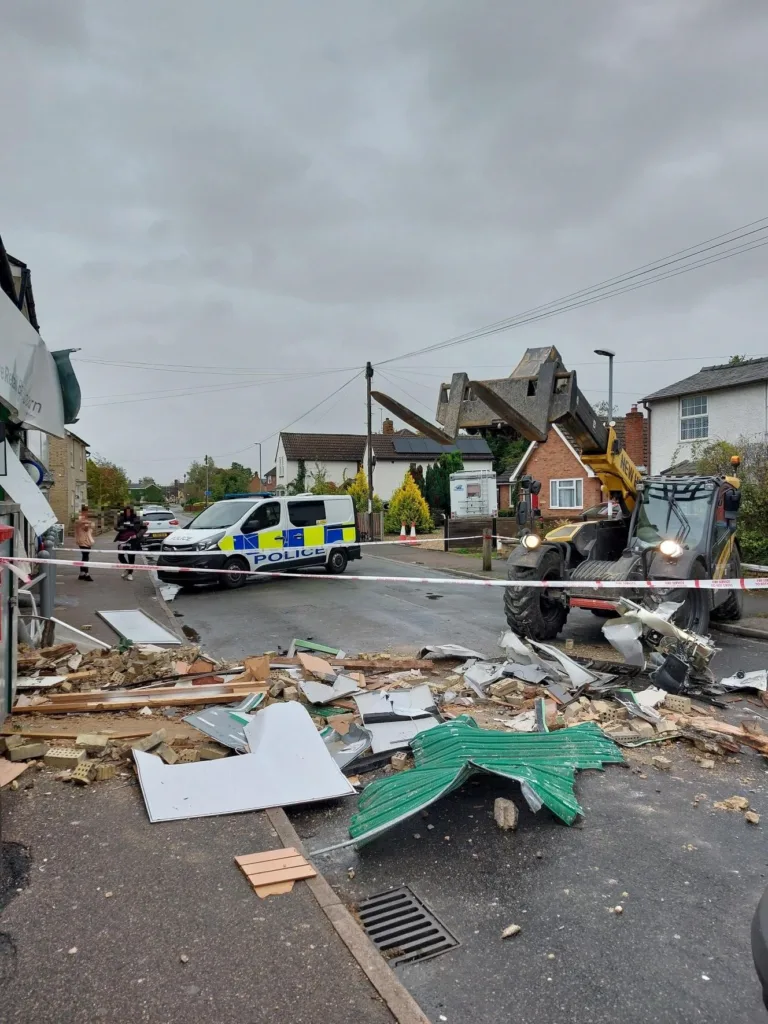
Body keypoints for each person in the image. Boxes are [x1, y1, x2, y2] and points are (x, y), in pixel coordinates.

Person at [115, 505, 145, 581]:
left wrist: (137, 535)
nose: (128, 513)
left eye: (129, 511)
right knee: (120, 556)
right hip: (123, 539)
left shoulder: (136, 519)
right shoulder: (121, 518)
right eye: (126, 511)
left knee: (131, 556)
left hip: (132, 540)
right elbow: (115, 527)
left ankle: (130, 574)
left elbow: (144, 528)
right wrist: (121, 528)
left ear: (131, 511)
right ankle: (128, 569)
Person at [74, 505, 94, 582]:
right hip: (82, 541)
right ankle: (86, 574)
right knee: (85, 556)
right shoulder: (80, 519)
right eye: (85, 511)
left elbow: (91, 527)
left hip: (87, 541)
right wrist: (89, 523)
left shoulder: (86, 519)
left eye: (87, 511)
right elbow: (81, 524)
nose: (86, 513)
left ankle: (82, 573)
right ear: (82, 512)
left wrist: (89, 524)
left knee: (85, 556)